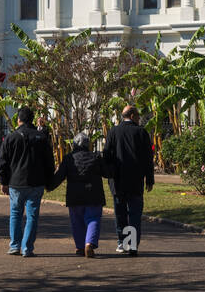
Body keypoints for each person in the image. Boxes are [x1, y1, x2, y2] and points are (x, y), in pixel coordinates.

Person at [0, 106, 55, 257]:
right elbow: (49, 161)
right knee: (32, 215)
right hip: (36, 181)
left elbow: (3, 161)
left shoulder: (11, 137)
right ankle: (27, 247)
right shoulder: (40, 137)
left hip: (16, 181)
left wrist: (3, 181)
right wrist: (49, 181)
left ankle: (15, 244)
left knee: (15, 213)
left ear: (18, 119)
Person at [102, 105, 155, 255]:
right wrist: (149, 179)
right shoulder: (141, 132)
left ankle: (122, 242)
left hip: (117, 181)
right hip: (135, 180)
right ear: (132, 116)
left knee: (120, 214)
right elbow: (148, 158)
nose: (139, 118)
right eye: (138, 115)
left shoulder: (113, 132)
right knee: (134, 214)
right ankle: (132, 244)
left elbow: (106, 156)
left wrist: (108, 174)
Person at [49, 132, 108, 257]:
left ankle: (80, 246)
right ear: (88, 145)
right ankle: (89, 244)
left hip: (74, 196)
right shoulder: (96, 157)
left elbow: (60, 176)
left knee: (77, 221)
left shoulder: (69, 158)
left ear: (74, 145)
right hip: (94, 194)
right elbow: (107, 172)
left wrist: (49, 186)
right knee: (93, 219)